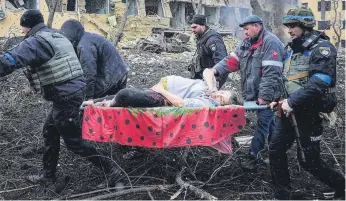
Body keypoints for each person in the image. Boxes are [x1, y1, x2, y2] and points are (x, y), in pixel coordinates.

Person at [0, 10, 121, 185]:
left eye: (23, 28)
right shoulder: (55, 36)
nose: (22, 32)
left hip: (65, 95)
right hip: (72, 91)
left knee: (74, 142)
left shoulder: (35, 42)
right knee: (50, 130)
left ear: (27, 26)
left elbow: (9, 60)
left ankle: (111, 170)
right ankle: (48, 176)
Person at [268, 6, 345, 199]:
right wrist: (278, 100)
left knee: (309, 161)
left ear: (305, 25)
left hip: (309, 112)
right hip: (287, 111)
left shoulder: (322, 48)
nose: (289, 30)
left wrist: (291, 101)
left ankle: (342, 187)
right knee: (276, 150)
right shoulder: (293, 49)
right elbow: (288, 79)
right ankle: (282, 194)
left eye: (293, 25)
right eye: (288, 25)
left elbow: (320, 82)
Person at [82, 70, 241, 159]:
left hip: (164, 99)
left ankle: (104, 106)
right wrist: (211, 87)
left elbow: (180, 104)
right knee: (122, 96)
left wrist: (161, 90)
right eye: (221, 93)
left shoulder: (207, 105)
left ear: (221, 106)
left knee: (125, 95)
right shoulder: (211, 92)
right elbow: (208, 70)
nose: (217, 95)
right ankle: (96, 103)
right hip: (163, 91)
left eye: (221, 99)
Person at [204, 15, 286, 168]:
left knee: (263, 123)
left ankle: (254, 156)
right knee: (270, 123)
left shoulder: (271, 42)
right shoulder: (246, 44)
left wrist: (264, 97)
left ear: (257, 26)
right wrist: (215, 71)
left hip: (271, 93)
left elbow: (271, 73)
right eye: (243, 30)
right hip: (255, 92)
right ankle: (277, 150)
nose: (245, 32)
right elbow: (231, 61)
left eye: (247, 29)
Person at [60, 19, 129, 99]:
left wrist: (88, 98)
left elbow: (89, 73)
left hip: (112, 78)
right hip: (119, 73)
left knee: (78, 95)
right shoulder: (88, 38)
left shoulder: (84, 45)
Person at [188, 14, 229, 89]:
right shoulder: (202, 38)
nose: (192, 30)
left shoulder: (213, 40)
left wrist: (216, 80)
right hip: (203, 76)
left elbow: (221, 61)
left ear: (203, 25)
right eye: (192, 28)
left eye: (195, 27)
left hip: (211, 78)